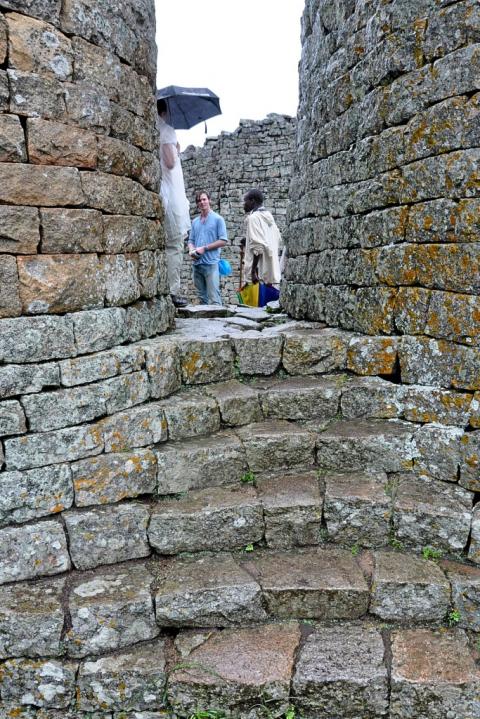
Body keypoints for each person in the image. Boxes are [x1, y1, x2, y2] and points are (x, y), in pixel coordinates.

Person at [157, 98, 191, 308]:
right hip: (172, 194)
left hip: (163, 191)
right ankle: (172, 291)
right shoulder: (167, 130)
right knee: (175, 243)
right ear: (166, 111)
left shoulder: (154, 129)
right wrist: (176, 149)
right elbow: (170, 162)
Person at [188, 190, 228, 305]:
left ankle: (220, 322)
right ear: (197, 204)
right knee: (202, 299)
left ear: (209, 200)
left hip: (211, 264)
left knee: (214, 298)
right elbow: (191, 240)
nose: (202, 202)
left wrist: (204, 248)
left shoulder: (218, 219)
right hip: (197, 264)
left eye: (204, 199)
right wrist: (191, 250)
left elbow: (223, 240)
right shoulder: (195, 221)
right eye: (199, 200)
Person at [242, 188, 282, 288]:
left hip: (258, 274)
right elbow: (275, 239)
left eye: (245, 201)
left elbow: (258, 247)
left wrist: (253, 272)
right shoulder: (268, 216)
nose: (244, 204)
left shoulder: (254, 218)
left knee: (256, 301)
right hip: (270, 271)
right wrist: (247, 241)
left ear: (252, 201)